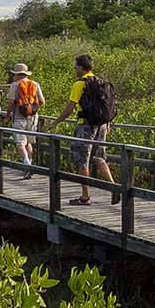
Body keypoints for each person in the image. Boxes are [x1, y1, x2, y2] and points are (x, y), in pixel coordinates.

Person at [57, 53, 117, 204]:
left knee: (82, 161)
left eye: (75, 67)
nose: (74, 69)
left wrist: (55, 123)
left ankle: (85, 197)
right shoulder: (101, 82)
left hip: (86, 126)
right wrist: (108, 123)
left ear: (81, 68)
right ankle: (114, 187)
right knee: (99, 158)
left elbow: (70, 108)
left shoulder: (80, 83)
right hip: (102, 125)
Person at [5, 63, 45, 177]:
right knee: (29, 142)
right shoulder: (35, 84)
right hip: (33, 118)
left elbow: (11, 103)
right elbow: (42, 101)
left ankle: (26, 164)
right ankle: (29, 165)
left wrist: (8, 116)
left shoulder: (14, 85)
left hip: (18, 117)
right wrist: (31, 106)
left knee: (20, 143)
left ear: (17, 75)